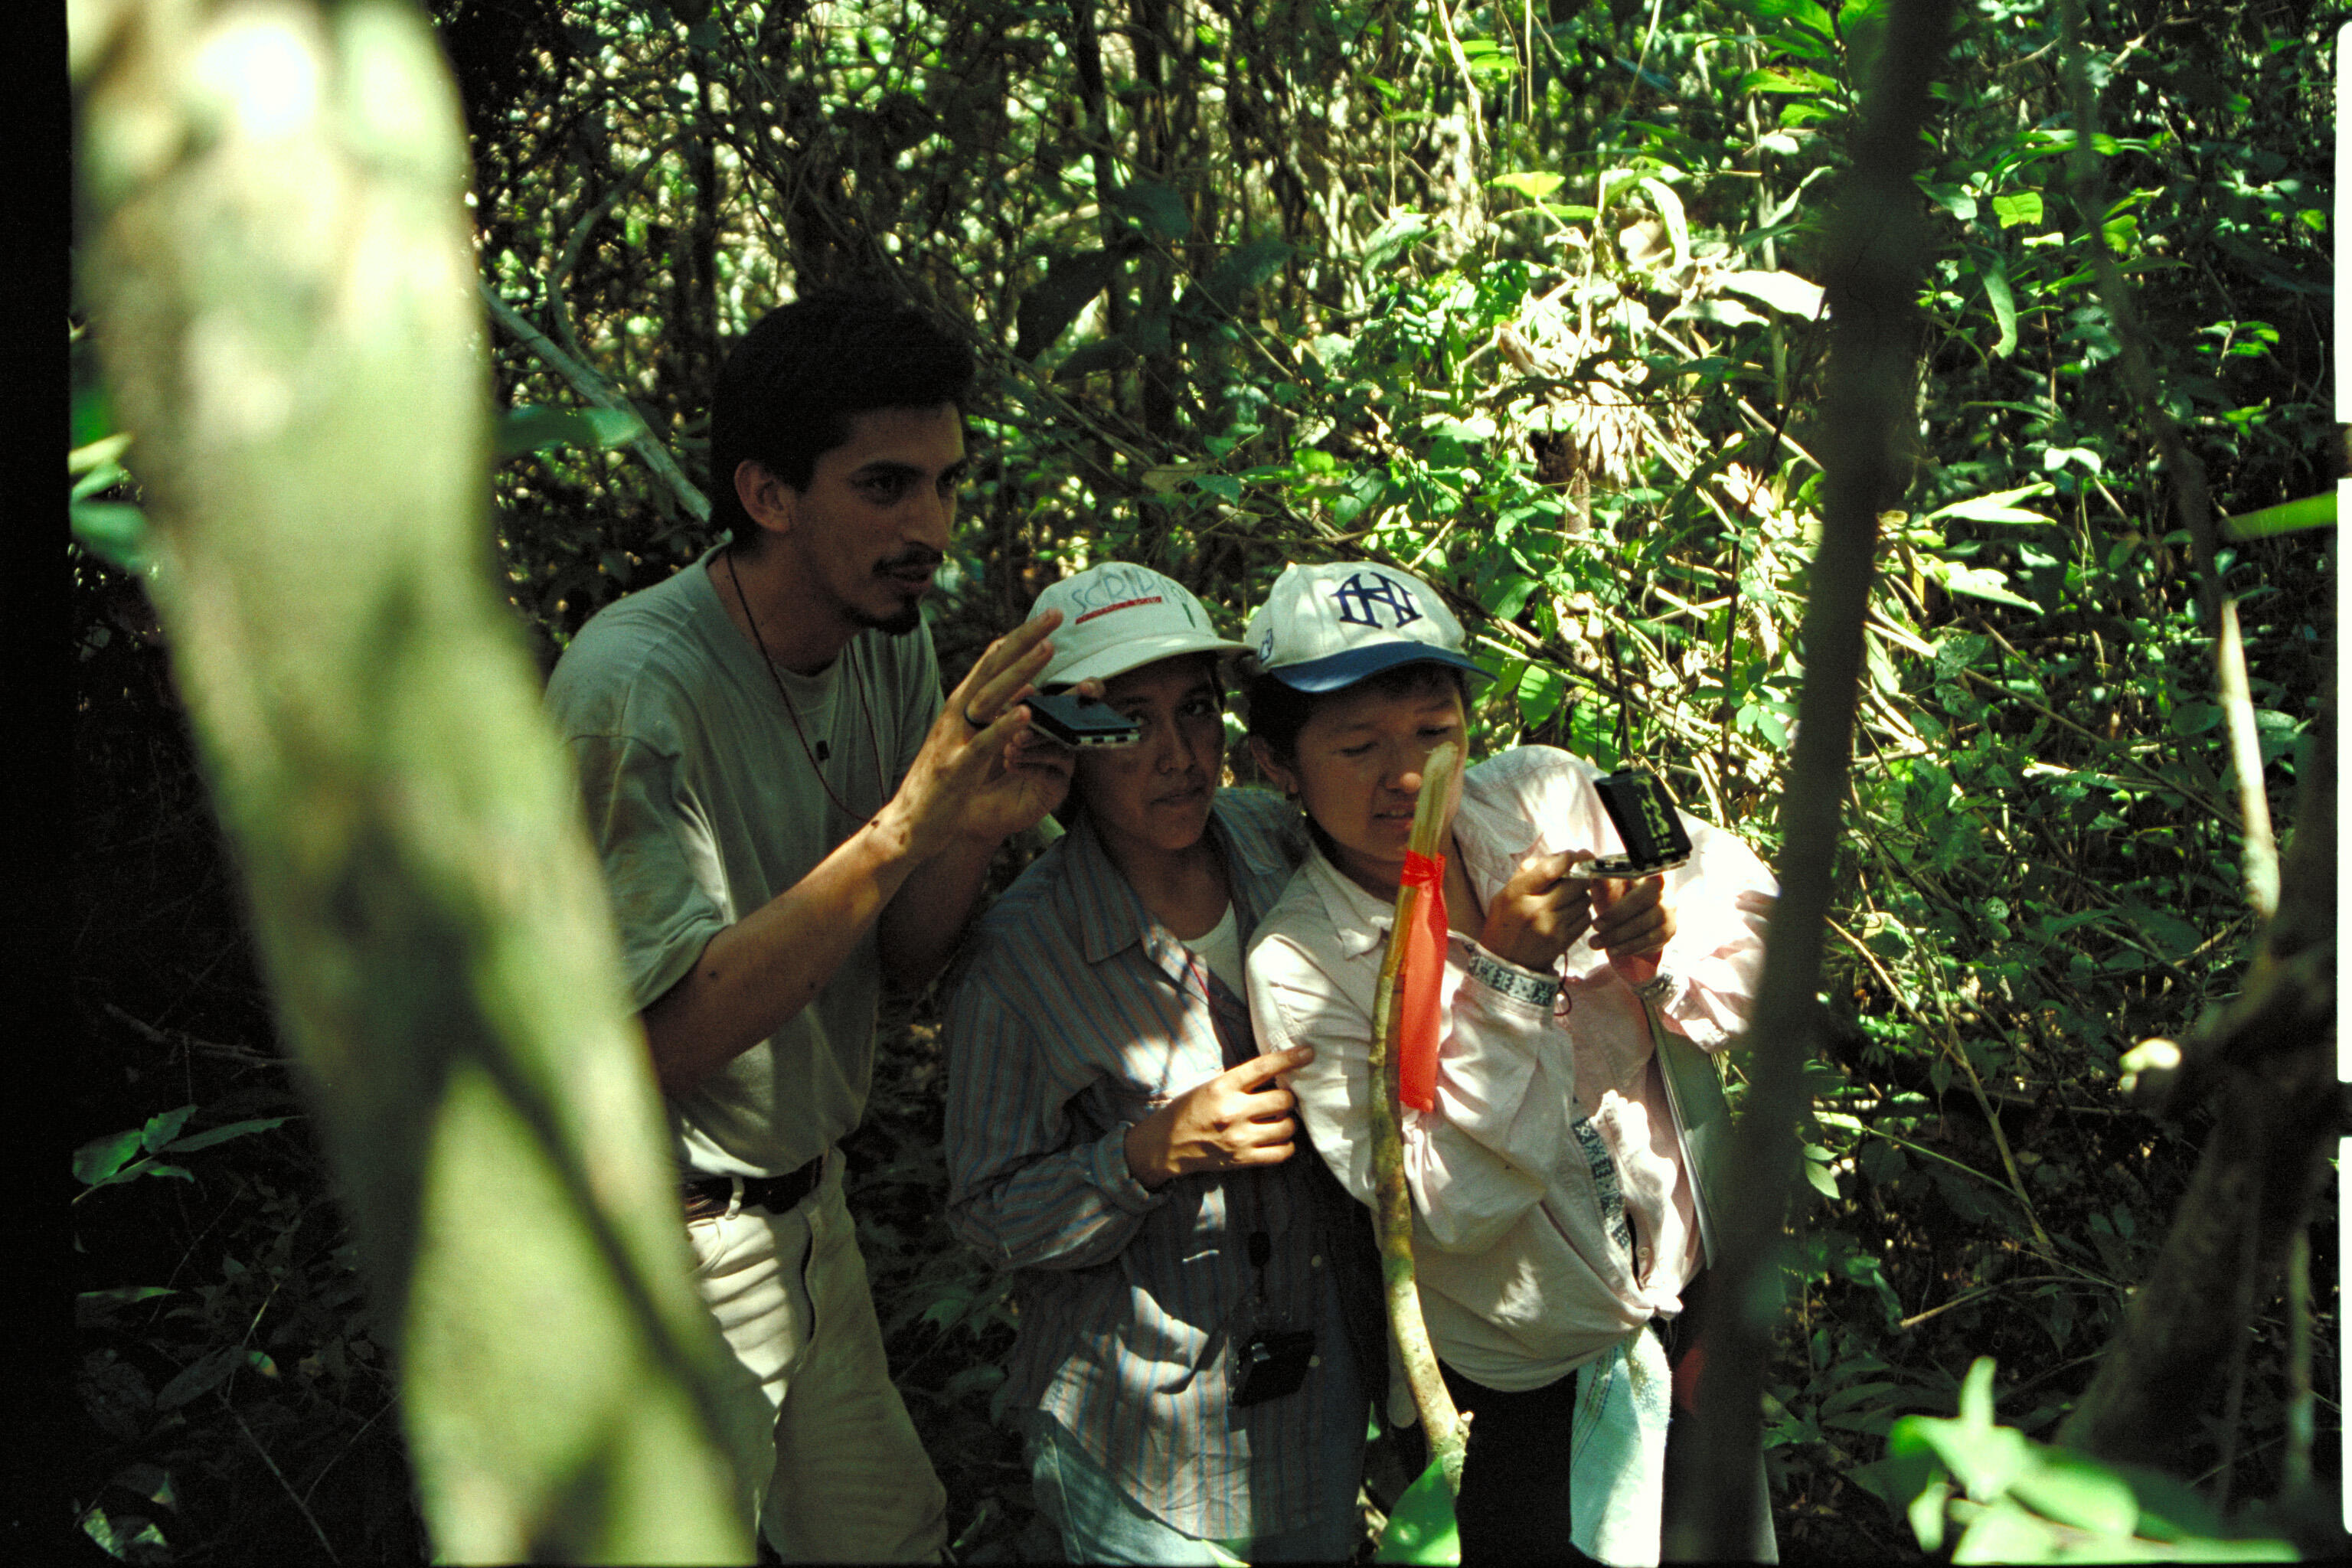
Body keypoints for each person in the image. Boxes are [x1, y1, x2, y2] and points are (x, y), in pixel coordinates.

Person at [543, 287, 1081, 1561]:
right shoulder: (632, 695)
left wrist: (966, 829)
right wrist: (906, 826)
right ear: (768, 494)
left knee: (895, 1540)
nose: (930, 529)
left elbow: (899, 961)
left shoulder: (887, 633)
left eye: (946, 485)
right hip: (648, 1240)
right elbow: (648, 1051)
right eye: (887, 487)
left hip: (806, 1220)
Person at [1239, 561, 1779, 1566]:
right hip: (1517, 1378)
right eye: (1357, 747)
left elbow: (1759, 946)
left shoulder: (1545, 796)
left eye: (1435, 735)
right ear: (1276, 763)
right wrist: (1509, 980)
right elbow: (1441, 1207)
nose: (1406, 777)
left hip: (1687, 1299)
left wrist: (1657, 939)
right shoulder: (1302, 959)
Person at [942, 564, 1383, 1564]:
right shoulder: (1024, 955)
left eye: (1197, 710)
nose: (1180, 755)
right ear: (1072, 744)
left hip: (1314, 1414)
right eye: (1129, 721)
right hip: (1139, 1443)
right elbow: (986, 1208)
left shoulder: (1284, 848)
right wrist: (1145, 1153)